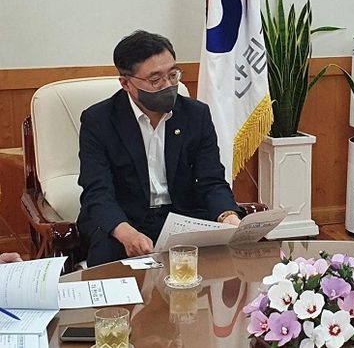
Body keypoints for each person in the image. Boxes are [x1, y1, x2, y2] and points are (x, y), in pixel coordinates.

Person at [78, 30, 243, 267]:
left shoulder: (196, 115)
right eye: (155, 80)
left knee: (224, 258)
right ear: (126, 83)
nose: (168, 85)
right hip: (125, 219)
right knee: (109, 256)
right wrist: (126, 233)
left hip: (182, 217)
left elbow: (212, 181)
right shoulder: (99, 120)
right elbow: (97, 190)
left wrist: (228, 216)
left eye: (173, 75)